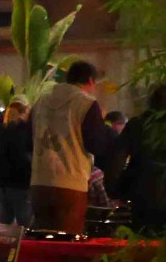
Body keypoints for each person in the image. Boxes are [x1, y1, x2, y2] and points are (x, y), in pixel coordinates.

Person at [29, 60, 111, 234]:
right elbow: (96, 145)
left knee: (42, 243)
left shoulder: (41, 101)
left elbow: (29, 138)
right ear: (90, 80)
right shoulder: (86, 103)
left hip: (39, 183)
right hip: (70, 185)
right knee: (66, 245)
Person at [107, 84, 166, 234]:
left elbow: (116, 162)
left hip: (142, 194)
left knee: (142, 247)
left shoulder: (136, 124)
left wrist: (115, 192)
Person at [0, 96, 32, 226]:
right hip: (21, 186)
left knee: (4, 230)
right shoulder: (26, 131)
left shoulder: (1, 130)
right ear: (26, 111)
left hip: (2, 186)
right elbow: (24, 159)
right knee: (25, 228)